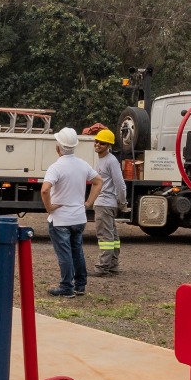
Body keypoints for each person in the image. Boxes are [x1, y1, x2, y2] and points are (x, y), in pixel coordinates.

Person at [39, 127, 101, 297]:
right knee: (77, 251)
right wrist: (88, 203)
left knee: (64, 254)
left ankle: (66, 287)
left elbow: (45, 190)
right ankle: (80, 285)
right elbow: (98, 181)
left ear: (58, 147)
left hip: (60, 220)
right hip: (79, 217)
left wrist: (49, 208)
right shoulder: (83, 164)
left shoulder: (56, 167)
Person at [89, 127, 126, 275]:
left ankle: (102, 267)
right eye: (97, 141)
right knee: (113, 237)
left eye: (102, 143)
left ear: (108, 145)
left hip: (105, 204)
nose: (98, 145)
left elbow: (120, 184)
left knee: (105, 237)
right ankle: (112, 265)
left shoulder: (111, 161)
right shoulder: (102, 160)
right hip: (104, 203)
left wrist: (122, 202)